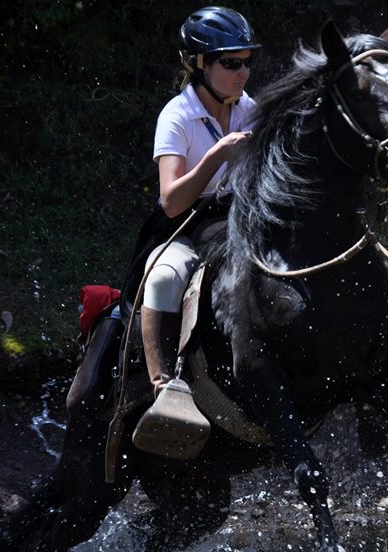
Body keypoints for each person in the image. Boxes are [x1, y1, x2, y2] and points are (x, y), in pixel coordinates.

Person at [140, 5, 261, 397]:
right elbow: (171, 201)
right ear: (200, 65)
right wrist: (216, 156)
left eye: (247, 61)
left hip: (238, 222)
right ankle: (162, 387)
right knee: (163, 277)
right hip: (185, 227)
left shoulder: (251, 110)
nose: (243, 72)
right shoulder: (176, 116)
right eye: (231, 63)